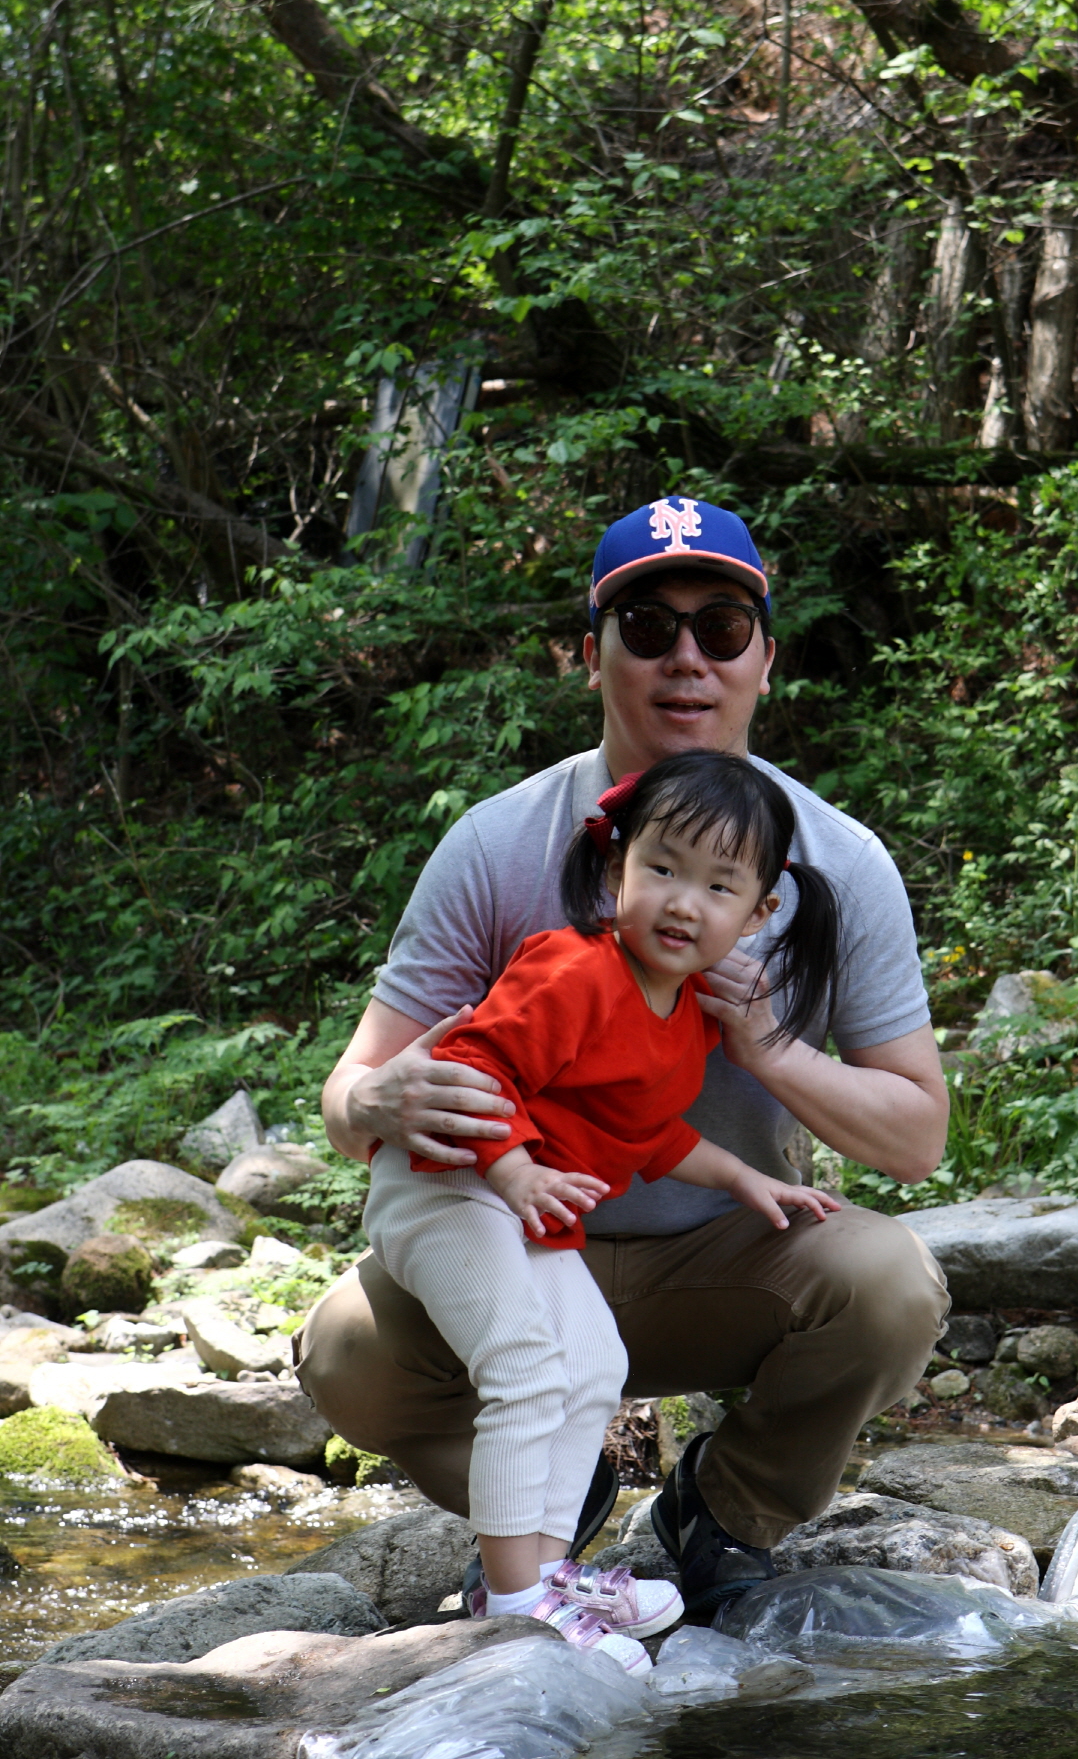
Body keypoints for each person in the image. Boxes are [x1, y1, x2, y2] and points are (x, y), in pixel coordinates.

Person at [300, 495, 951, 1617]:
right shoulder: (498, 843)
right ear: (591, 655)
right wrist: (376, 1098)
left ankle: (726, 1509)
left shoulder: (840, 862)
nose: (686, 658)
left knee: (890, 1284)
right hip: (506, 1234)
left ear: (765, 659)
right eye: (647, 627)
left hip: (716, 1259)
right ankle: (550, 1507)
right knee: (343, 1350)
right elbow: (347, 1096)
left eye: (721, 627)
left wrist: (765, 1044)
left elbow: (917, 1137)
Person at [362, 751, 845, 1672]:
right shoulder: (572, 970)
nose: (683, 903)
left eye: (719, 886)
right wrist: (512, 1171)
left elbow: (647, 1131)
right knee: (524, 1366)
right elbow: (471, 1068)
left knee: (594, 1365)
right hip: (445, 1182)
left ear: (759, 912)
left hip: (523, 1197)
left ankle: (546, 1579)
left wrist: (746, 1179)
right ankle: (515, 1606)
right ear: (617, 864)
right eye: (662, 868)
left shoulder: (684, 1014)